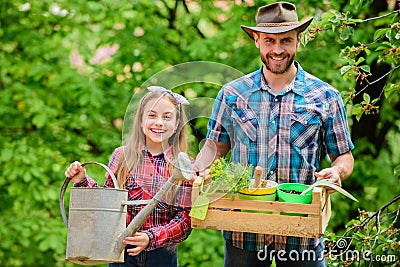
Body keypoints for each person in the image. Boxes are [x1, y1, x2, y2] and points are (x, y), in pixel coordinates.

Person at [194, 2, 354, 267]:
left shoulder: (325, 96)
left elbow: (344, 157)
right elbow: (214, 147)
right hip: (243, 231)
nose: (278, 50)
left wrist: (337, 172)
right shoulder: (233, 94)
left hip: (301, 233)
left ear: (298, 41)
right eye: (269, 41)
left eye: (286, 41)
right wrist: (198, 168)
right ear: (256, 40)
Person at [65, 86, 192, 267]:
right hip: (120, 251)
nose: (159, 123)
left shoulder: (183, 165)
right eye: (152, 115)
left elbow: (185, 220)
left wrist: (151, 237)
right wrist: (82, 180)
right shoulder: (122, 156)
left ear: (177, 124)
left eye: (167, 117)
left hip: (161, 255)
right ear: (141, 121)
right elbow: (107, 203)